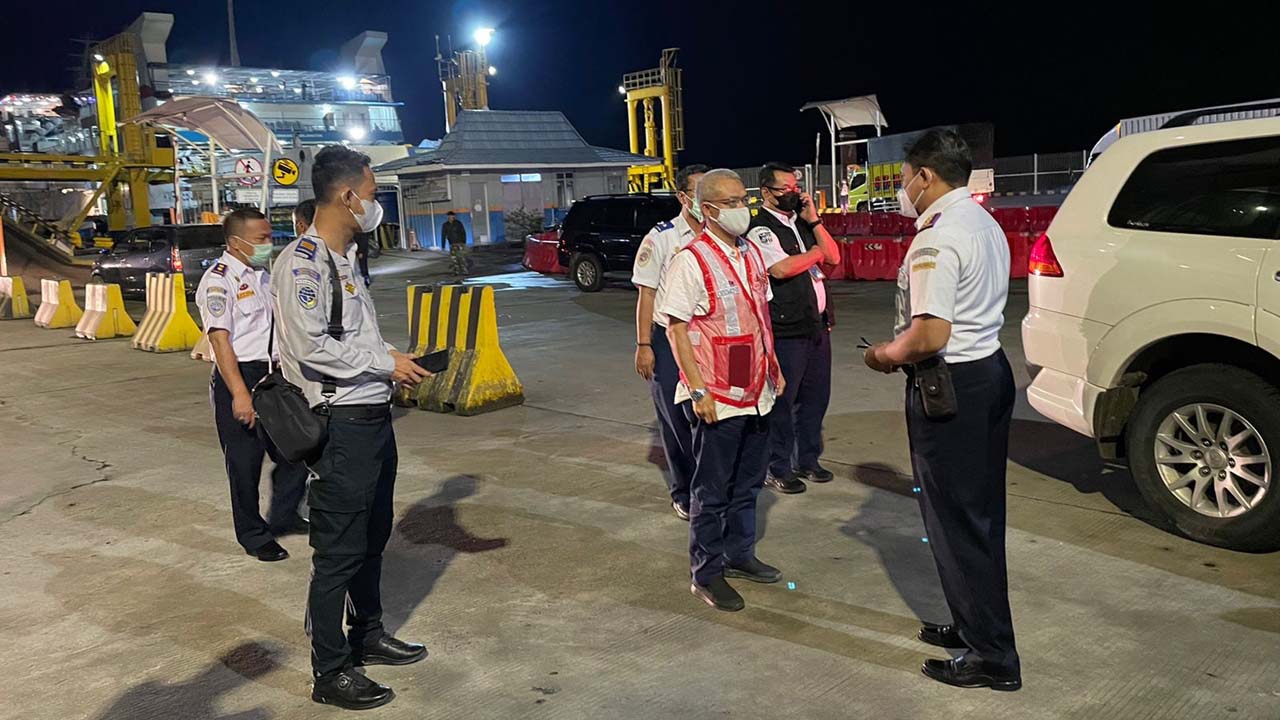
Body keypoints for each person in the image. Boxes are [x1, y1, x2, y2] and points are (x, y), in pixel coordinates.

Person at [272, 145, 433, 710]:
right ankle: (330, 669)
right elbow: (309, 346)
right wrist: (384, 364)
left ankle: (368, 634)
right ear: (346, 196)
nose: (373, 204)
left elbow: (355, 339)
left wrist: (395, 358)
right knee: (338, 550)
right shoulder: (302, 264)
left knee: (372, 534)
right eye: (370, 194)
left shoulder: (345, 260)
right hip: (340, 425)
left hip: (373, 418)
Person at [863, 128, 1020, 691]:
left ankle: (992, 656)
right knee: (977, 516)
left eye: (905, 177)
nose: (902, 188)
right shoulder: (982, 221)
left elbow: (928, 334)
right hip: (988, 373)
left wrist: (883, 356)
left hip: (949, 386)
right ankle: (974, 624)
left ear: (925, 175)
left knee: (956, 522)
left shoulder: (936, 237)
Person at [658, 168, 785, 612]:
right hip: (716, 392)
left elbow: (760, 316)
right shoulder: (690, 260)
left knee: (748, 482)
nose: (741, 209)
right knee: (711, 490)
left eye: (743, 199)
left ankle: (739, 554)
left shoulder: (750, 253)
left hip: (756, 388)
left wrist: (774, 365)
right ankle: (707, 572)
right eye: (730, 203)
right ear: (707, 209)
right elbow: (675, 329)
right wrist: (697, 392)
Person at [195, 208, 309, 562]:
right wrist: (240, 395)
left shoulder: (262, 276)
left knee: (300, 447)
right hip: (239, 376)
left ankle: (284, 513)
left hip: (274, 375)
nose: (268, 244)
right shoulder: (218, 281)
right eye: (261, 239)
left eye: (270, 237)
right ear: (235, 242)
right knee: (245, 464)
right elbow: (219, 341)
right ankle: (253, 534)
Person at [746, 162, 841, 496]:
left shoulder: (802, 223)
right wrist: (815, 253)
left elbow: (834, 256)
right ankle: (778, 466)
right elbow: (782, 268)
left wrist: (813, 219)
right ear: (766, 192)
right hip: (786, 330)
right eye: (785, 189)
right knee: (783, 404)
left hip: (817, 326)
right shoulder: (760, 228)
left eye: (795, 188)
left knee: (816, 399)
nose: (793, 194)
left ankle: (809, 459)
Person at [633, 163, 709, 520]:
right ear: (682, 197)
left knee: (709, 415)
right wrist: (644, 344)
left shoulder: (719, 233)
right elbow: (646, 295)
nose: (705, 201)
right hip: (668, 337)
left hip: (710, 339)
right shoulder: (662, 237)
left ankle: (709, 486)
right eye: (698, 193)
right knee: (675, 420)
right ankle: (683, 490)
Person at [442, 211, 469, 276]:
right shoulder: (445, 225)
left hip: (460, 243)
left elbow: (463, 232)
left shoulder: (458, 223)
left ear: (454, 216)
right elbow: (443, 235)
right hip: (452, 244)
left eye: (452, 216)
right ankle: (456, 271)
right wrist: (443, 245)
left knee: (461, 257)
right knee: (454, 259)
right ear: (448, 217)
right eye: (449, 216)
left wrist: (464, 243)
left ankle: (464, 271)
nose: (451, 217)